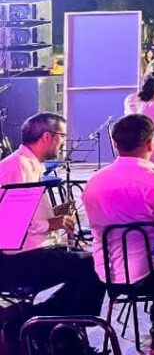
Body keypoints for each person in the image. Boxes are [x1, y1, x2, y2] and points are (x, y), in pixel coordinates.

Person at [0, 114, 105, 349]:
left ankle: (58, 332)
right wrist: (52, 224)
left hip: (27, 252)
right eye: (62, 137)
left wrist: (53, 215)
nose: (63, 143)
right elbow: (10, 224)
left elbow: (25, 215)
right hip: (13, 261)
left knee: (91, 262)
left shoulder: (26, 164)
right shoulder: (17, 167)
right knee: (92, 266)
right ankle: (31, 322)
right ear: (47, 137)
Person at [82, 114, 154, 354]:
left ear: (116, 145)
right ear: (151, 143)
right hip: (150, 276)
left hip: (106, 273)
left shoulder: (93, 182)